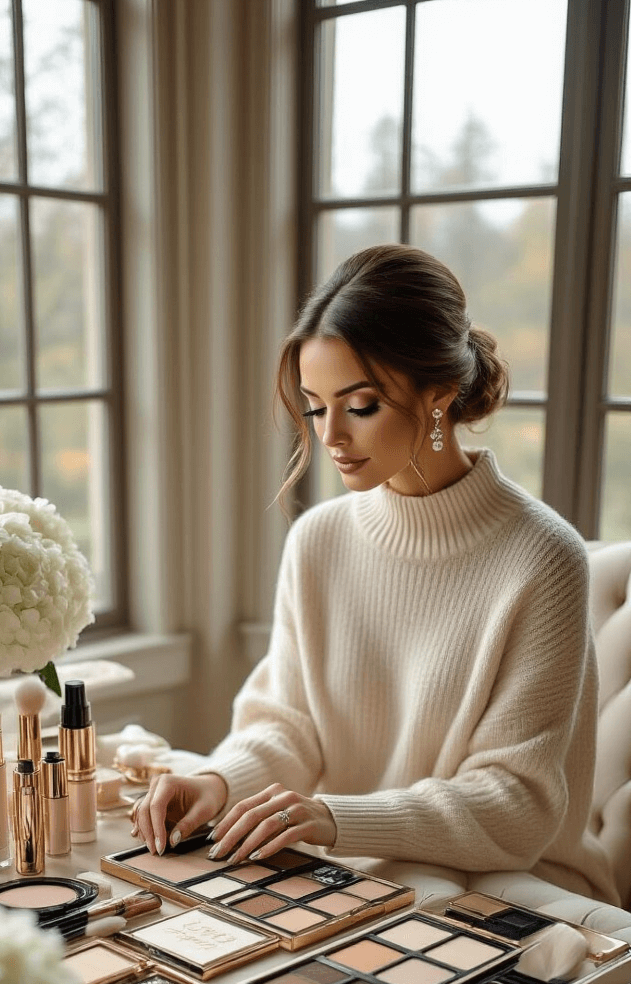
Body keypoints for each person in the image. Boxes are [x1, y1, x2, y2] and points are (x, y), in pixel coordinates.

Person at [132, 244, 618, 904]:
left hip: (512, 886)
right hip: (356, 872)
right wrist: (221, 781)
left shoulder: (542, 558)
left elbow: (515, 804)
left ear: (440, 396)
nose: (330, 435)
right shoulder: (318, 541)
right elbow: (289, 726)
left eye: (359, 406)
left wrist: (335, 816)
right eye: (314, 405)